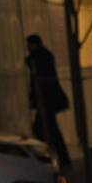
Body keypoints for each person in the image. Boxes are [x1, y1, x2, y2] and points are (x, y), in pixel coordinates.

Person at [25, 34, 71, 169]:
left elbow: (39, 80)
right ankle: (59, 158)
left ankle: (52, 158)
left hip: (46, 101)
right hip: (47, 101)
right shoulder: (44, 56)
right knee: (50, 130)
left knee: (44, 129)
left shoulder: (41, 57)